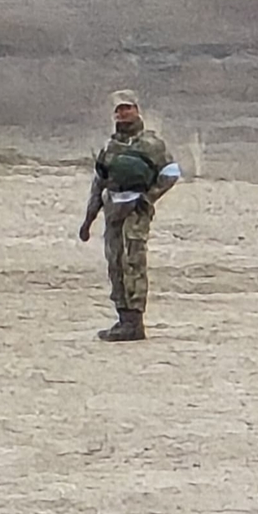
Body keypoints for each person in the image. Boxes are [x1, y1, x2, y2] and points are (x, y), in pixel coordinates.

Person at [79, 89, 182, 341]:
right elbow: (99, 183)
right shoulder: (110, 147)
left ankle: (135, 322)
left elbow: (170, 173)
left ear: (136, 110)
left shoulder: (151, 144)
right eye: (119, 109)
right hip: (113, 210)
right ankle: (123, 318)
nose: (123, 113)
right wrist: (89, 219)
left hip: (136, 212)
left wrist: (148, 198)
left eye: (127, 108)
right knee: (115, 261)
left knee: (132, 260)